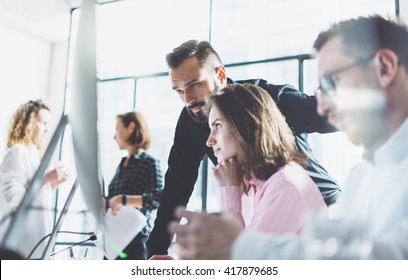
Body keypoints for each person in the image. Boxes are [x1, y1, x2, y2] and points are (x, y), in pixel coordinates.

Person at [169, 15, 408, 260]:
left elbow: (384, 260)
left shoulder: (286, 181)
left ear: (385, 68)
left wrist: (237, 246)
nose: (323, 107)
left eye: (331, 82)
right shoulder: (361, 179)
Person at [147, 39, 340, 257]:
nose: (188, 99)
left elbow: (331, 114)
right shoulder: (192, 118)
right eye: (179, 91)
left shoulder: (262, 101)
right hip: (261, 202)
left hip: (315, 206)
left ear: (219, 75)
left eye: (194, 85)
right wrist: (152, 255)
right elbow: (176, 188)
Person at [206, 83, 326, 234]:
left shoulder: (284, 185)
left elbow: (241, 254)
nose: (209, 141)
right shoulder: (251, 185)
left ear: (246, 125)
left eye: (217, 126)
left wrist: (229, 193)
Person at [0, 99, 69, 259]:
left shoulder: (36, 156)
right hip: (20, 247)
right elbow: (12, 197)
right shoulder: (17, 152)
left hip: (36, 244)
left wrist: (51, 183)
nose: (47, 129)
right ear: (28, 123)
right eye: (43, 122)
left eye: (48, 124)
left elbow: (34, 195)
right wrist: (45, 179)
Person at [105, 111, 163, 260]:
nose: (114, 136)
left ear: (131, 127)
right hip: (114, 241)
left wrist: (123, 200)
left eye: (117, 129)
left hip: (134, 240)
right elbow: (113, 199)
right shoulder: (121, 165)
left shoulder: (149, 162)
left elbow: (157, 198)